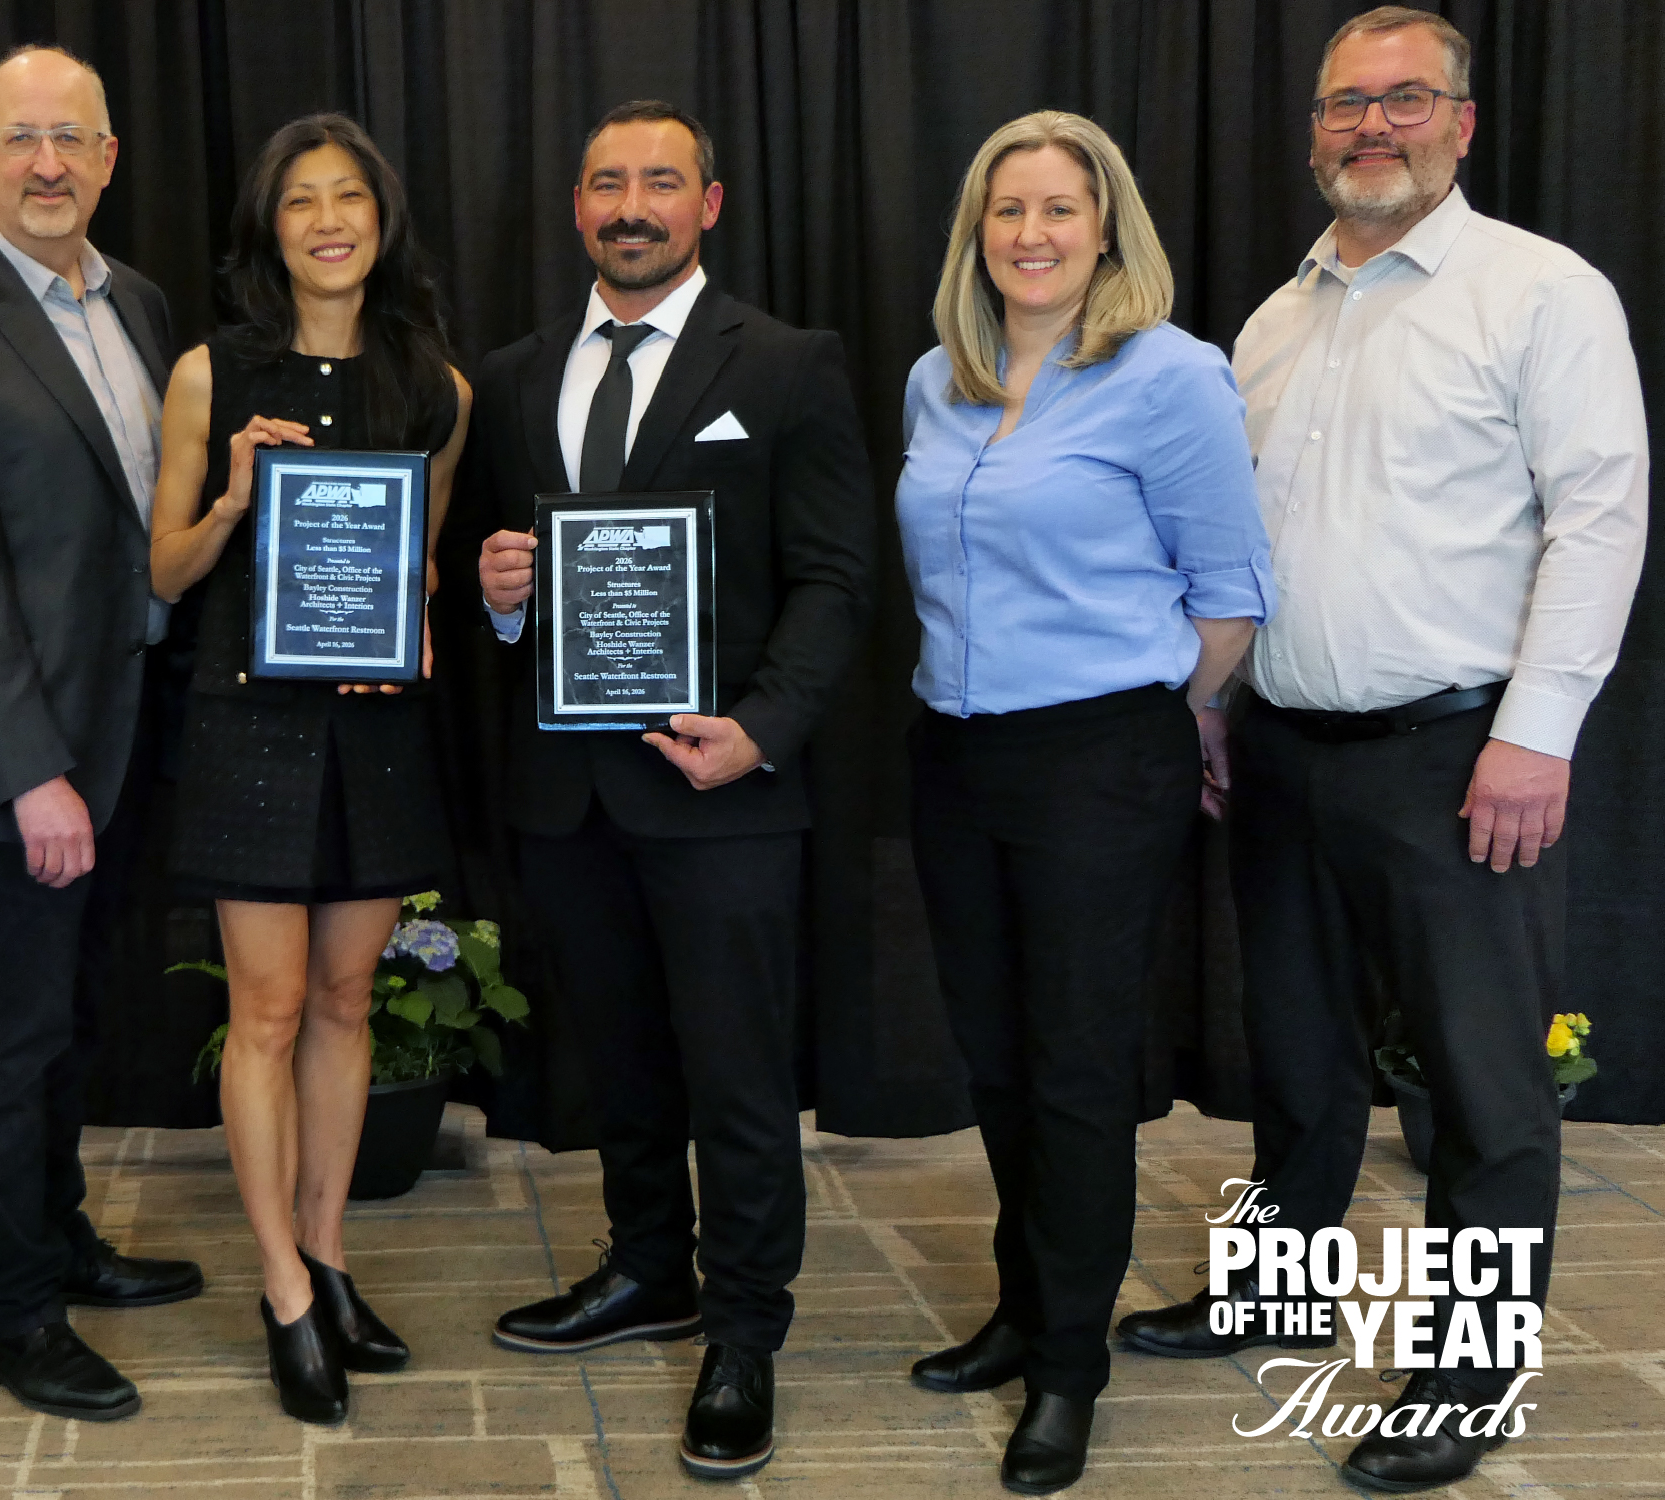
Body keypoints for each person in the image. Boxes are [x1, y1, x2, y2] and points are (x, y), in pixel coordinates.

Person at [1116, 9, 1649, 1492]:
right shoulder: (1272, 322)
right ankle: (1273, 1295)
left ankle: (1464, 1380)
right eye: (1344, 103)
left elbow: (1597, 522)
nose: (1371, 125)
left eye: (1403, 99)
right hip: (1280, 746)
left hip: (1453, 754)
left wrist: (1532, 734)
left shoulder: (1538, 293)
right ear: (1311, 132)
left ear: (1460, 123)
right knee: (1288, 1056)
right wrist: (1215, 709)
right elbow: (1233, 549)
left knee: (1481, 1089)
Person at [472, 100, 877, 1481]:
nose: (627, 203)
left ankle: (745, 1331)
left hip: (725, 791)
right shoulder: (519, 375)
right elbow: (510, 587)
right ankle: (648, 1267)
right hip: (569, 795)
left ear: (708, 203)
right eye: (603, 182)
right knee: (624, 1065)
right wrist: (503, 598)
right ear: (573, 207)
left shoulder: (784, 363)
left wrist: (761, 730)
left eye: (657, 181)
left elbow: (835, 576)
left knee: (737, 1078)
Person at [890, 112, 1273, 1495]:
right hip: (952, 750)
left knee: (1070, 1070)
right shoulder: (940, 377)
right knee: (991, 1054)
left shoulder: (1168, 378)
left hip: (1100, 761)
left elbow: (1227, 595)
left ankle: (1067, 1370)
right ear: (974, 233)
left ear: (1104, 225)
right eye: (1006, 211)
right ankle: (1019, 1307)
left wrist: (1156, 728)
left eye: (1057, 209)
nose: (1030, 235)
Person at [0, 42, 204, 1423]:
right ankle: (15, 1313)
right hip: (18, 768)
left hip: (129, 733)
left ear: (110, 159)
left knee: (68, 1021)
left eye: (72, 139)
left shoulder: (140, 303)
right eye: (21, 140)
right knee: (7, 1041)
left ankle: (58, 1240)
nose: (48, 164)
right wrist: (33, 775)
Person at [148, 113, 472, 1424]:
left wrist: (414, 627)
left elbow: (425, 565)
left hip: (377, 728)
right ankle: (280, 1287)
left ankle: (330, 1254)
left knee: (346, 1000)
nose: (327, 218)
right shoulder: (206, 374)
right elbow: (160, 574)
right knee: (267, 1010)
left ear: (380, 220)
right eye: (299, 201)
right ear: (266, 230)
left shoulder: (435, 385)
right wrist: (227, 500)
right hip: (247, 721)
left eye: (349, 197)